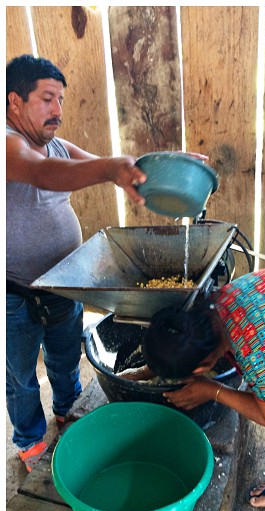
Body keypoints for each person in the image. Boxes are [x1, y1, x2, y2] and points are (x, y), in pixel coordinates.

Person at [5, 54, 204, 472]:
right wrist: (111, 169)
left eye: (60, 99)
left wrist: (164, 166)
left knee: (63, 356)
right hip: (14, 291)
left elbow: (105, 165)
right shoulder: (10, 145)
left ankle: (66, 410)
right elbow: (43, 174)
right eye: (46, 99)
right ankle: (29, 439)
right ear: (14, 103)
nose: (57, 110)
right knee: (21, 372)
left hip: (64, 282)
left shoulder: (55, 145)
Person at [121, 266, 265, 508]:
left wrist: (212, 390)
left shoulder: (256, 350)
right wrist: (142, 372)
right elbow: (174, 345)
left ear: (201, 367)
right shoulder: (203, 310)